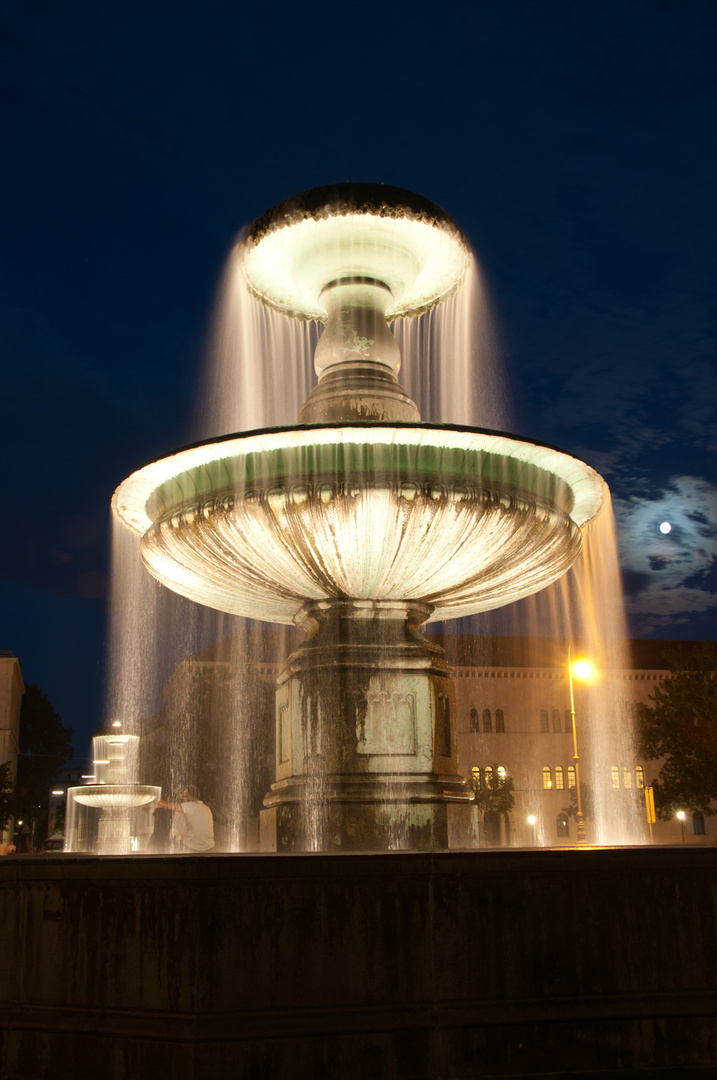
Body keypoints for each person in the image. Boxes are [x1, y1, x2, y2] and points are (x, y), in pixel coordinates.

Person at [158, 785, 214, 852]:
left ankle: (174, 841)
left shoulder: (190, 806)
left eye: (184, 796)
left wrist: (160, 802)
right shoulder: (206, 808)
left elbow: (172, 806)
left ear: (189, 797)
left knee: (179, 812)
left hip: (194, 847)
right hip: (209, 846)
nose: (183, 799)